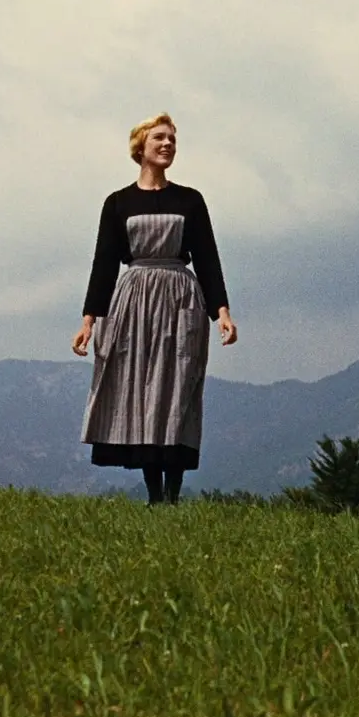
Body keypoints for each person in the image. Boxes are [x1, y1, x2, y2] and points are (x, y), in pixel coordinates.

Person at [72, 112, 238, 505]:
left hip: (181, 299)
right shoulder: (118, 203)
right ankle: (153, 496)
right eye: (159, 139)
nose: (168, 145)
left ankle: (174, 492)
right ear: (140, 148)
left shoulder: (190, 200)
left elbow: (208, 258)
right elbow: (104, 262)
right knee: (142, 393)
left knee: (177, 388)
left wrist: (222, 312)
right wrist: (89, 320)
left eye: (172, 140)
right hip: (133, 303)